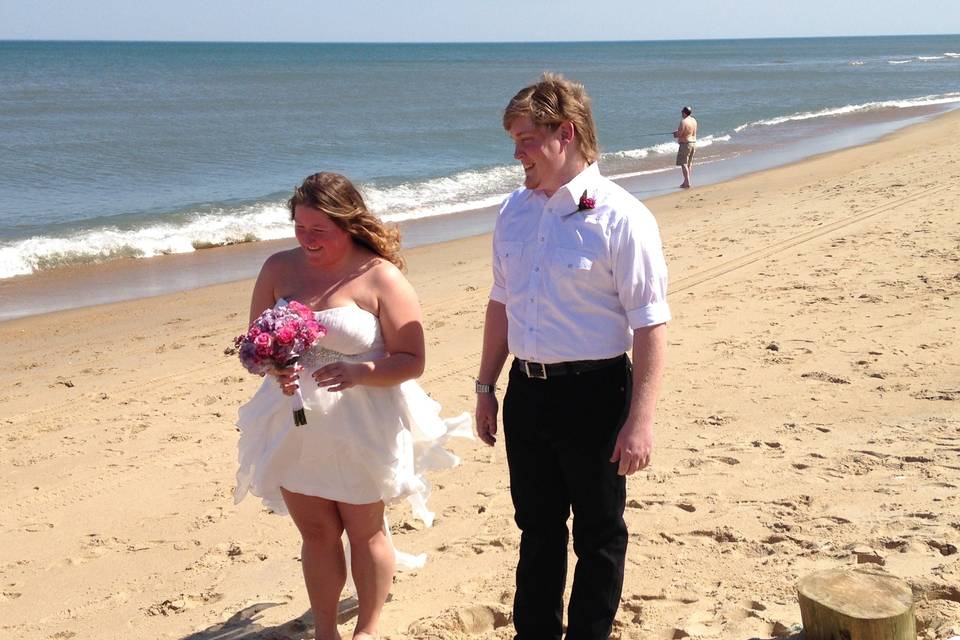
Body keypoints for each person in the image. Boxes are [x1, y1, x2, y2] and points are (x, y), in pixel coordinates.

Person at [474, 73, 670, 640]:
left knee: (599, 535)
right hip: (526, 395)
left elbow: (651, 325)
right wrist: (487, 386)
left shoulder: (622, 216)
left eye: (525, 139)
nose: (516, 154)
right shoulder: (513, 210)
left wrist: (641, 421)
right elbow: (501, 302)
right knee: (536, 530)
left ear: (566, 132)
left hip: (598, 395)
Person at [235, 172, 470, 640]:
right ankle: (326, 629)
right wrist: (275, 368)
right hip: (297, 421)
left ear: (347, 224)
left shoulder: (380, 275)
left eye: (318, 230)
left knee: (365, 531)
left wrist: (362, 372)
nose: (307, 240)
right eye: (300, 228)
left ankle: (367, 628)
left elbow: (413, 359)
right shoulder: (278, 268)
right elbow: (256, 346)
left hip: (364, 424)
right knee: (317, 534)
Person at [673, 106, 698, 188]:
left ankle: (687, 182)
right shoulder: (694, 120)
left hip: (685, 144)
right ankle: (686, 181)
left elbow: (680, 134)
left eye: (682, 112)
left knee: (683, 163)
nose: (681, 114)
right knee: (688, 163)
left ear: (684, 113)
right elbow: (692, 132)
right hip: (693, 143)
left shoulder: (683, 121)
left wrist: (675, 134)